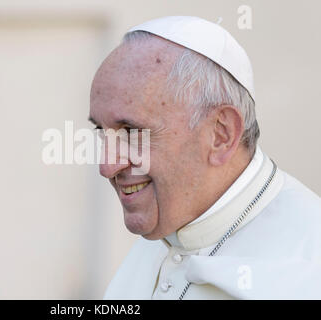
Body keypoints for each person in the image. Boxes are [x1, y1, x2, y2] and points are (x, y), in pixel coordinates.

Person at [88, 16, 321, 299]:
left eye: (133, 132)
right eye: (102, 131)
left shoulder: (309, 267)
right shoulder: (174, 218)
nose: (107, 166)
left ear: (220, 134)